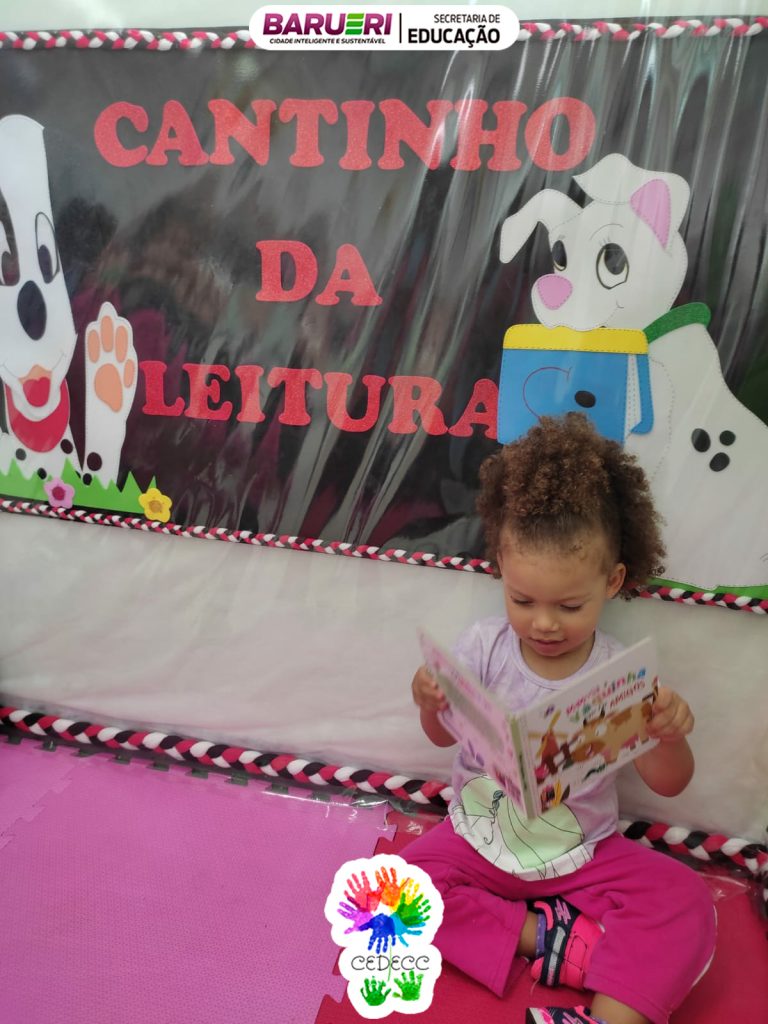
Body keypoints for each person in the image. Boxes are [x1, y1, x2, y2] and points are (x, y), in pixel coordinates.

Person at [408, 413, 716, 1024]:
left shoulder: (619, 676)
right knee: (386, 892)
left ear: (613, 581)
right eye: (522, 600)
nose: (544, 623)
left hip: (583, 858)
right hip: (476, 842)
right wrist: (429, 702)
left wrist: (668, 734)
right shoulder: (484, 647)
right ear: (501, 569)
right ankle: (551, 941)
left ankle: (606, 1018)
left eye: (570, 605)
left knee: (685, 899)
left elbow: (669, 783)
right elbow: (440, 736)